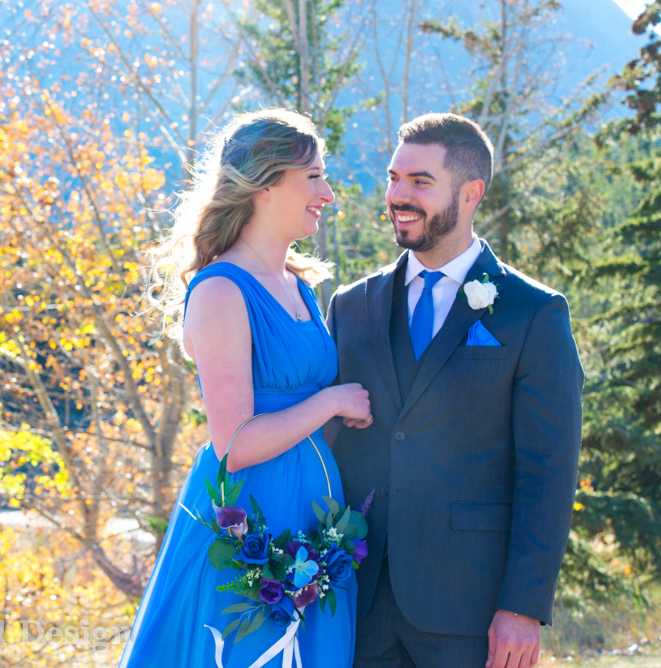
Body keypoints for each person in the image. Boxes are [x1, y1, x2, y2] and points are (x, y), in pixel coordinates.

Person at [326, 113, 583, 668]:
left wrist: (523, 606)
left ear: (471, 193)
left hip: (472, 609)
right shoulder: (351, 306)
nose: (398, 195)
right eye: (394, 178)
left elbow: (549, 470)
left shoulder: (533, 312)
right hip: (355, 601)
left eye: (420, 182)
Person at [119, 109, 373, 667]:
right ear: (263, 184)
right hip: (250, 513)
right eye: (313, 177)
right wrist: (331, 401)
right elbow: (235, 444)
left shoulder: (299, 285)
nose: (327, 192)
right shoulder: (220, 291)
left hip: (313, 512)